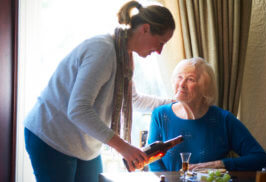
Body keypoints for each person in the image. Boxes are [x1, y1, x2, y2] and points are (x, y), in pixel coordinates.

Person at [24, 1, 175, 182]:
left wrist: (174, 103)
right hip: (52, 137)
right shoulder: (103, 50)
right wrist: (124, 147)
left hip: (84, 145)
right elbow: (78, 109)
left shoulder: (124, 56)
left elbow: (133, 100)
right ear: (145, 29)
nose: (159, 51)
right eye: (160, 43)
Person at [147, 57, 266, 172]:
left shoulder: (224, 119)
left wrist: (220, 164)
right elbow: (153, 161)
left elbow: (260, 158)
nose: (181, 84)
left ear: (205, 88)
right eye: (179, 77)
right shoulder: (160, 115)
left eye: (190, 79)